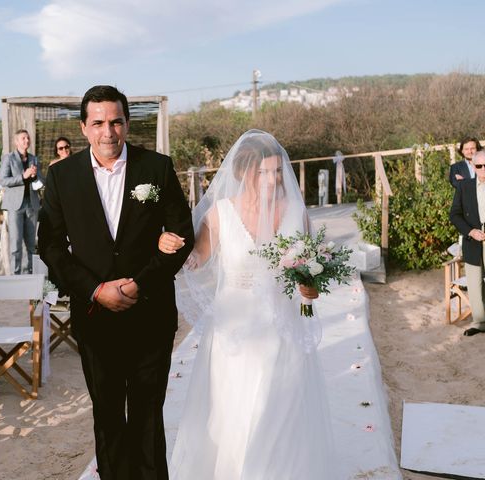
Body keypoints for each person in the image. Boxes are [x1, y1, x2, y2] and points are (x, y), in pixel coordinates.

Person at [161, 130, 336, 479]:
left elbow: (308, 274)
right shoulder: (221, 214)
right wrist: (170, 246)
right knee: (236, 412)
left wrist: (308, 291)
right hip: (235, 334)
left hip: (282, 328)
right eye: (264, 172)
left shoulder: (296, 212)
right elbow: (195, 260)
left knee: (279, 407)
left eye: (276, 171)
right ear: (245, 173)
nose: (273, 179)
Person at [39, 85, 194, 479]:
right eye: (99, 123)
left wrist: (138, 285)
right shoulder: (61, 176)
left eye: (116, 122)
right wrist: (96, 290)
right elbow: (50, 246)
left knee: (147, 414)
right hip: (95, 317)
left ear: (126, 123)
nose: (108, 132)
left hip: (151, 313)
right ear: (83, 127)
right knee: (107, 416)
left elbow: (182, 234)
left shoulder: (156, 168)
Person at [450, 150, 485, 336]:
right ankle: (479, 323)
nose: (483, 169)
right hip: (473, 240)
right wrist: (470, 231)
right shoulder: (464, 187)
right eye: (479, 166)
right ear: (473, 166)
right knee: (474, 282)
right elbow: (454, 214)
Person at [0, 129, 44, 274]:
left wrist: (36, 176)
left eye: (28, 138)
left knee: (31, 244)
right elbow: (3, 180)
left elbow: (42, 180)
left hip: (32, 204)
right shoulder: (9, 158)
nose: (27, 140)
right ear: (16, 141)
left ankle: (28, 276)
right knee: (16, 244)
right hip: (15, 205)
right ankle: (15, 275)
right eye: (23, 138)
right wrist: (23, 176)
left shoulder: (34, 159)